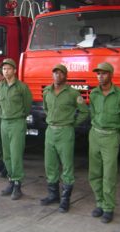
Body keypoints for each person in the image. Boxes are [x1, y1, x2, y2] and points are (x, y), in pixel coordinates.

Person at [41, 64, 89, 213]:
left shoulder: (73, 93)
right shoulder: (47, 91)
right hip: (50, 131)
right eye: (55, 73)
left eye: (60, 73)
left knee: (67, 166)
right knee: (50, 164)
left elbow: (84, 112)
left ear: (65, 76)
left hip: (65, 132)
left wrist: (71, 124)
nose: (57, 76)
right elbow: (46, 108)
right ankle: (53, 195)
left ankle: (65, 199)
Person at [88, 62, 120, 223]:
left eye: (104, 73)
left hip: (111, 136)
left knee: (109, 173)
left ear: (111, 75)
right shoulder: (93, 94)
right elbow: (92, 114)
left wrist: (115, 134)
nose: (100, 76)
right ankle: (99, 202)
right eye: (98, 74)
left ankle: (108, 207)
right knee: (94, 172)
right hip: (95, 135)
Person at [0, 58, 32, 200]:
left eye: (8, 69)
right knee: (7, 155)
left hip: (17, 122)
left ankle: (18, 184)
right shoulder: (1, 86)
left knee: (16, 154)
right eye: (4, 69)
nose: (6, 71)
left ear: (14, 70)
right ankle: (11, 181)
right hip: (4, 123)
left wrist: (19, 117)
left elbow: (27, 106)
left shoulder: (21, 87)